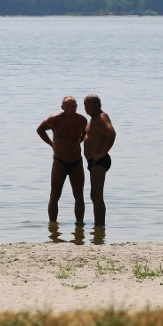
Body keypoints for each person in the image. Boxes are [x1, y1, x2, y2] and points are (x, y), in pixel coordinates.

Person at [37, 96, 88, 224]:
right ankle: (52, 225)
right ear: (62, 108)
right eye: (68, 106)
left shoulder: (82, 120)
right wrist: (51, 144)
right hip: (60, 160)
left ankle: (79, 225)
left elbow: (85, 133)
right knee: (55, 195)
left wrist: (79, 142)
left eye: (73, 106)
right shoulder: (54, 119)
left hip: (76, 161)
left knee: (79, 195)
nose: (71, 108)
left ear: (77, 106)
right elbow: (40, 130)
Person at [83, 94, 116, 227]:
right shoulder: (92, 119)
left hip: (100, 160)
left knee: (97, 195)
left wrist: (103, 152)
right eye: (84, 105)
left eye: (88, 105)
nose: (85, 108)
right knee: (94, 195)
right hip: (93, 161)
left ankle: (99, 225)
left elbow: (111, 132)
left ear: (97, 105)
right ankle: (98, 225)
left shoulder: (102, 116)